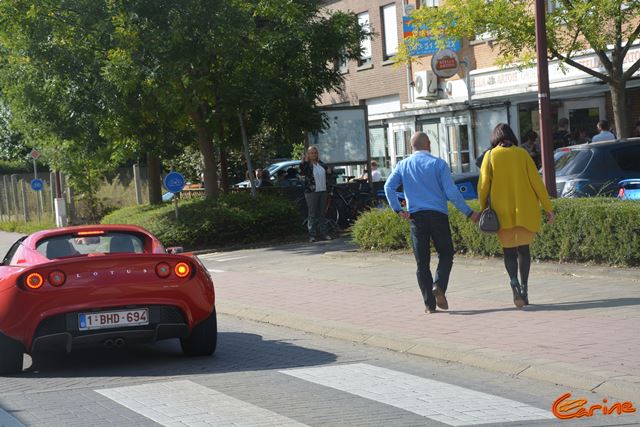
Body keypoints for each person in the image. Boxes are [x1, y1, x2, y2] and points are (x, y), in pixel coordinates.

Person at [384, 132, 480, 314]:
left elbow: (388, 186)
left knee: (422, 263)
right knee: (446, 254)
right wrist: (469, 212)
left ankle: (429, 305)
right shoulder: (438, 164)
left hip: (416, 218)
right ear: (428, 144)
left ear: (412, 147)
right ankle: (440, 284)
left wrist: (398, 209)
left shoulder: (403, 165)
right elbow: (452, 193)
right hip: (438, 216)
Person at [477, 123, 555, 308]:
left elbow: (483, 186)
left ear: (494, 138)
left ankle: (514, 285)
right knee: (524, 251)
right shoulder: (522, 154)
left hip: (501, 213)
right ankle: (525, 289)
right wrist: (548, 208)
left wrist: (482, 208)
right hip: (525, 211)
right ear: (512, 136)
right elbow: (537, 183)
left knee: (509, 252)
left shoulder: (489, 156)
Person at [300, 146, 332, 243]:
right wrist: (303, 161)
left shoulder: (321, 164)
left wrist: (330, 171)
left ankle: (324, 233)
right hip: (311, 192)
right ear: (308, 155)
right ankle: (312, 235)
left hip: (323, 190)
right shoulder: (306, 164)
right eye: (311, 153)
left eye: (315, 153)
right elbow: (302, 170)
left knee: (322, 213)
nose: (313, 154)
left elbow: (329, 171)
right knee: (312, 213)